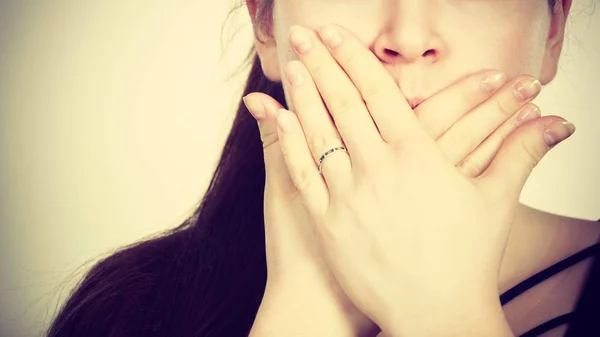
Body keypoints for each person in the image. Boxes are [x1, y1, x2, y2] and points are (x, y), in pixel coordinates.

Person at [46, 0, 599, 336]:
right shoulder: (126, 313)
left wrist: (445, 317)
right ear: (266, 25)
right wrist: (308, 314)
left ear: (552, 32)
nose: (407, 38)